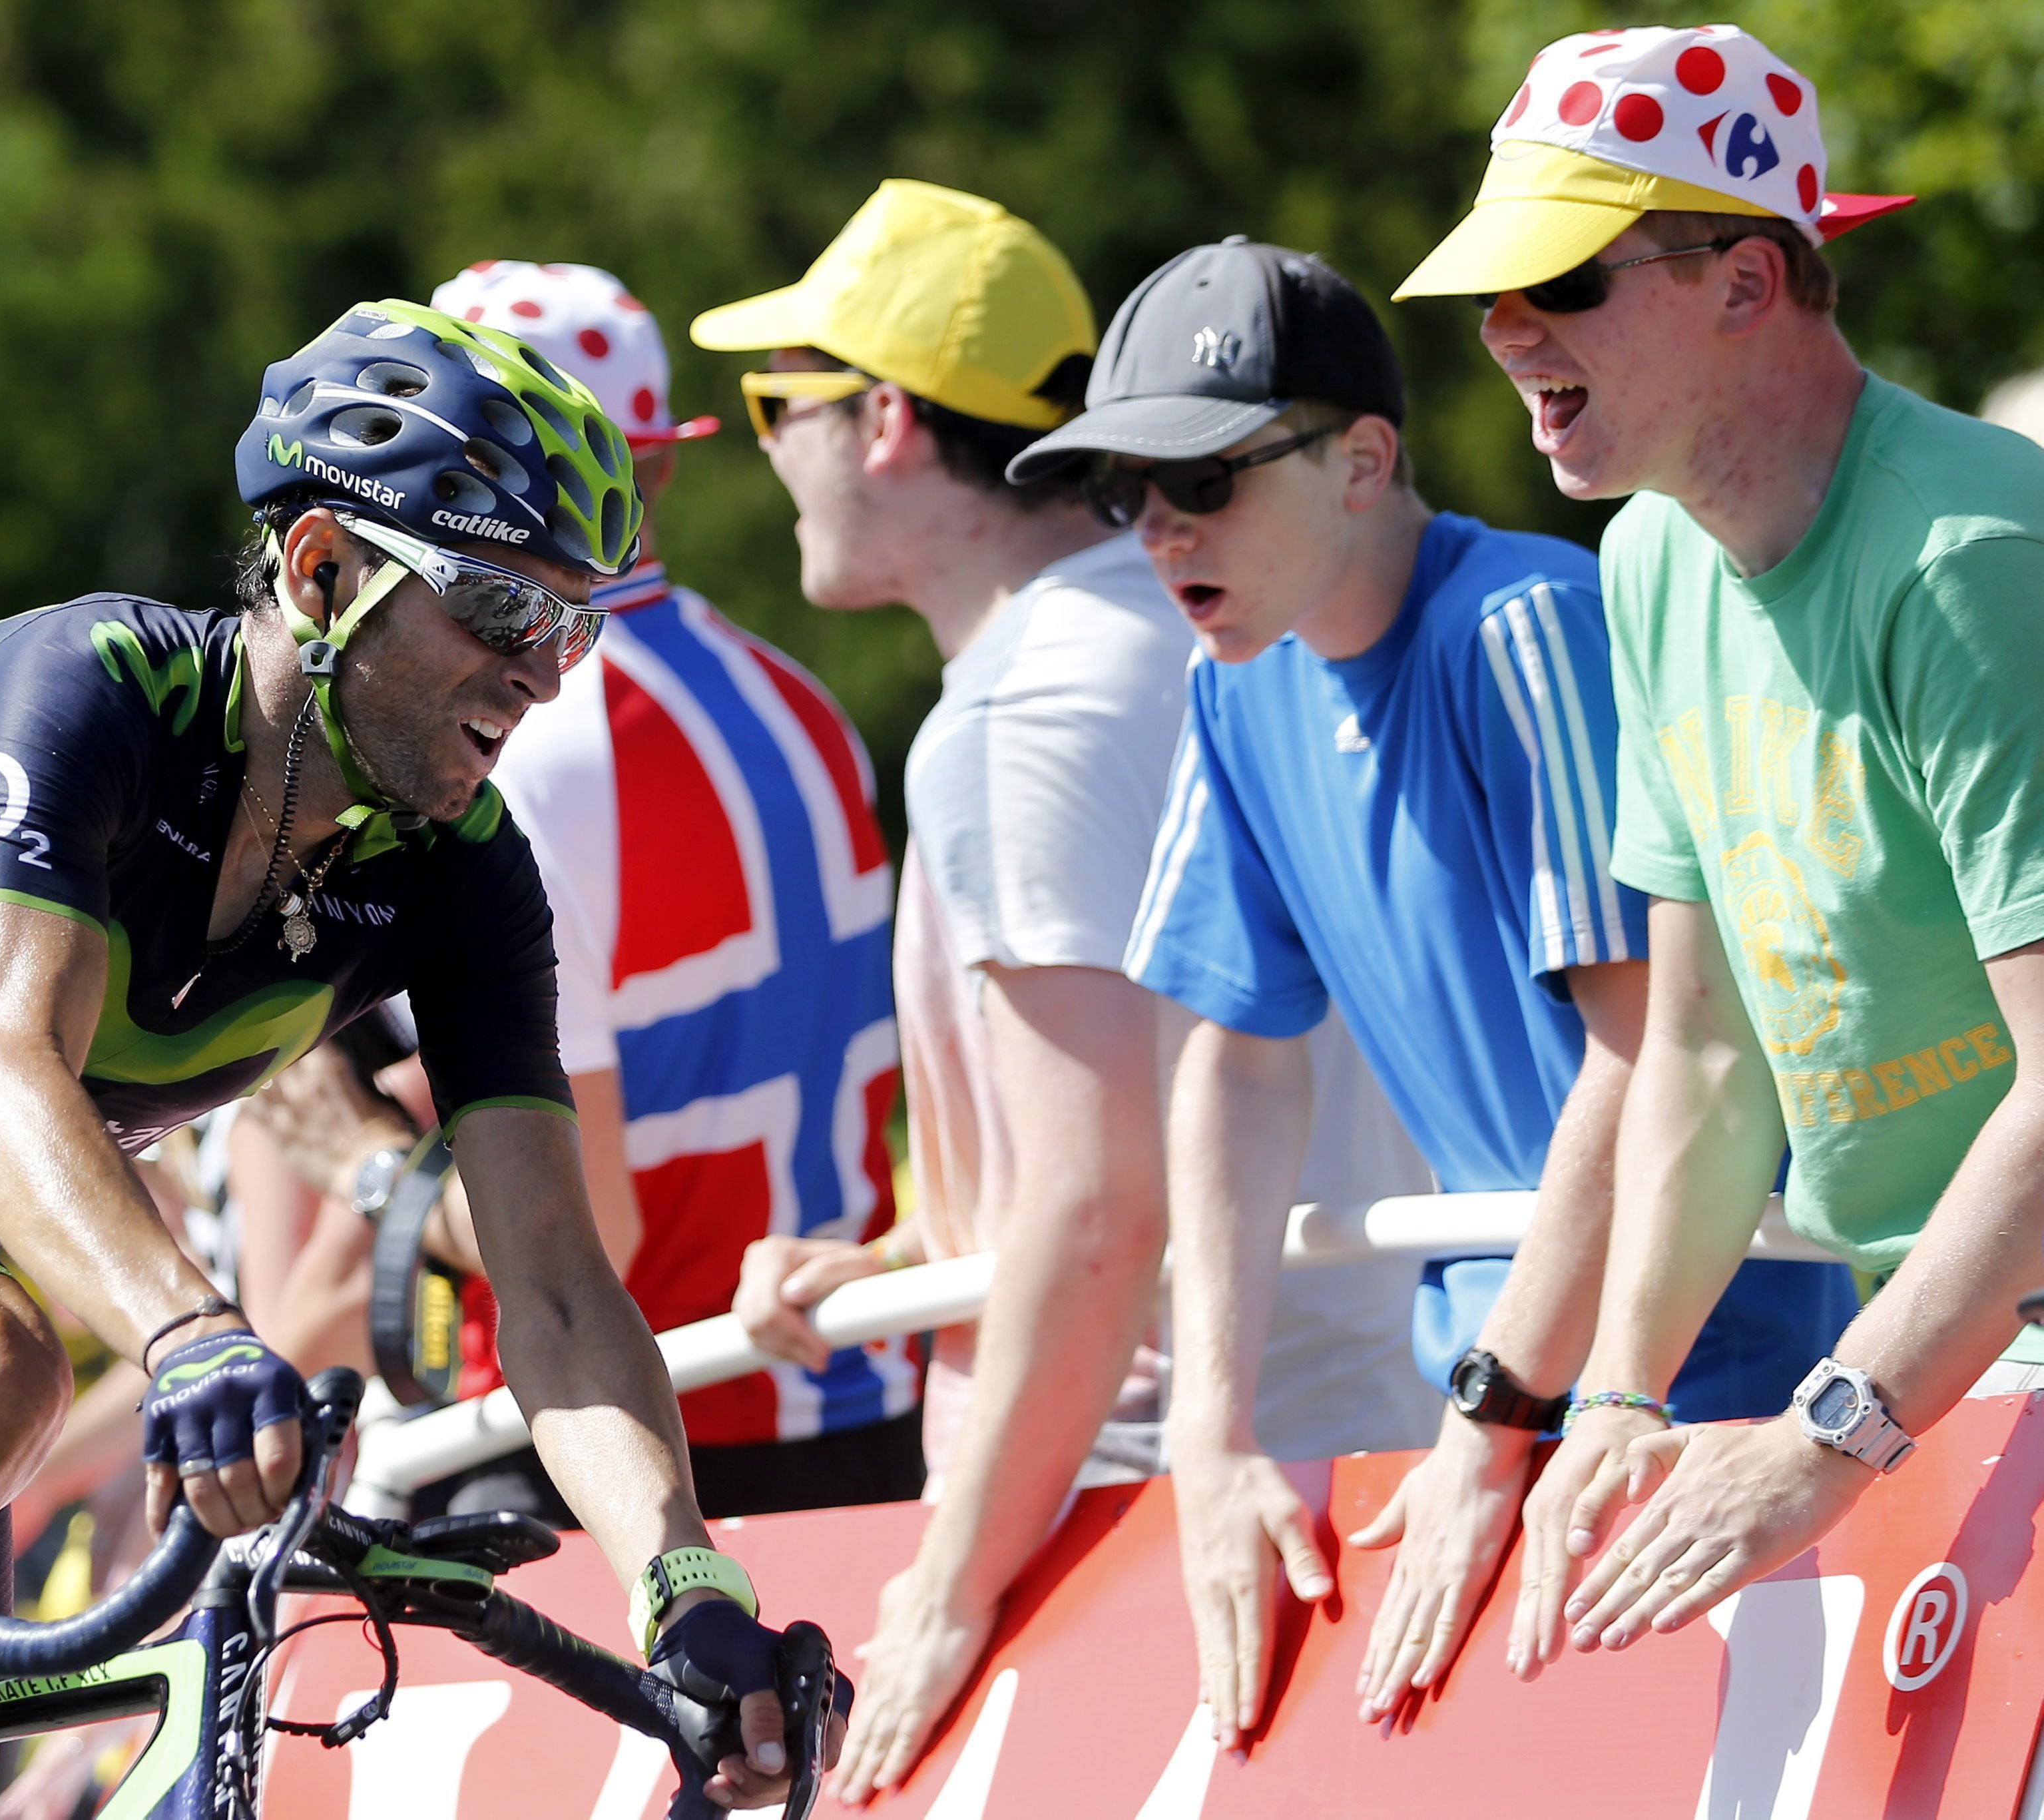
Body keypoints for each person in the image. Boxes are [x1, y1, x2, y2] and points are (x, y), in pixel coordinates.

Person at [0, 298, 828, 1820]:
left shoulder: (462, 872)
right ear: (322, 570)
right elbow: (2, 1075)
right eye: (502, 612)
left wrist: (685, 1580)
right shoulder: (93, 692)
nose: (544, 674)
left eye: (575, 624)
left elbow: (563, 1284)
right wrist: (191, 1332)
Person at [1013, 236, 1854, 1749]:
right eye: (1120, 494)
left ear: (1361, 459)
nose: (1153, 530)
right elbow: (1234, 1060)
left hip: (1697, 1389)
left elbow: (1640, 1053)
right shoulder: (1231, 682)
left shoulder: (1519, 623)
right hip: (1512, 1403)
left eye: (1197, 481)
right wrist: (1211, 1435)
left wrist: (1495, 1416)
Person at [700, 180, 1437, 1802]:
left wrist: (945, 1588)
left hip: (1132, 1501)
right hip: (1344, 1440)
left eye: (776, 402)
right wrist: (906, 1249)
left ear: (883, 419)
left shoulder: (1019, 710)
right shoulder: (1221, 622)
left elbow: (1099, 1206)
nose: (762, 448)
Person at [1393, 21, 2041, 1669]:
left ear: (1748, 284)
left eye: (1562, 281)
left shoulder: (1966, 555)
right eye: (1493, 288)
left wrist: (1826, 1430)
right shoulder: (1646, 563)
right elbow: (1694, 1046)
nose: (1503, 331)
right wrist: (1611, 1394)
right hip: (1943, 1365)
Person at [264, 258, 921, 1522]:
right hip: (848, 1421)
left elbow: (587, 1241)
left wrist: (358, 1162)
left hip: (624, 1453)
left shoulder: (524, 745)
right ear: (657, 459)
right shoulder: (798, 700)